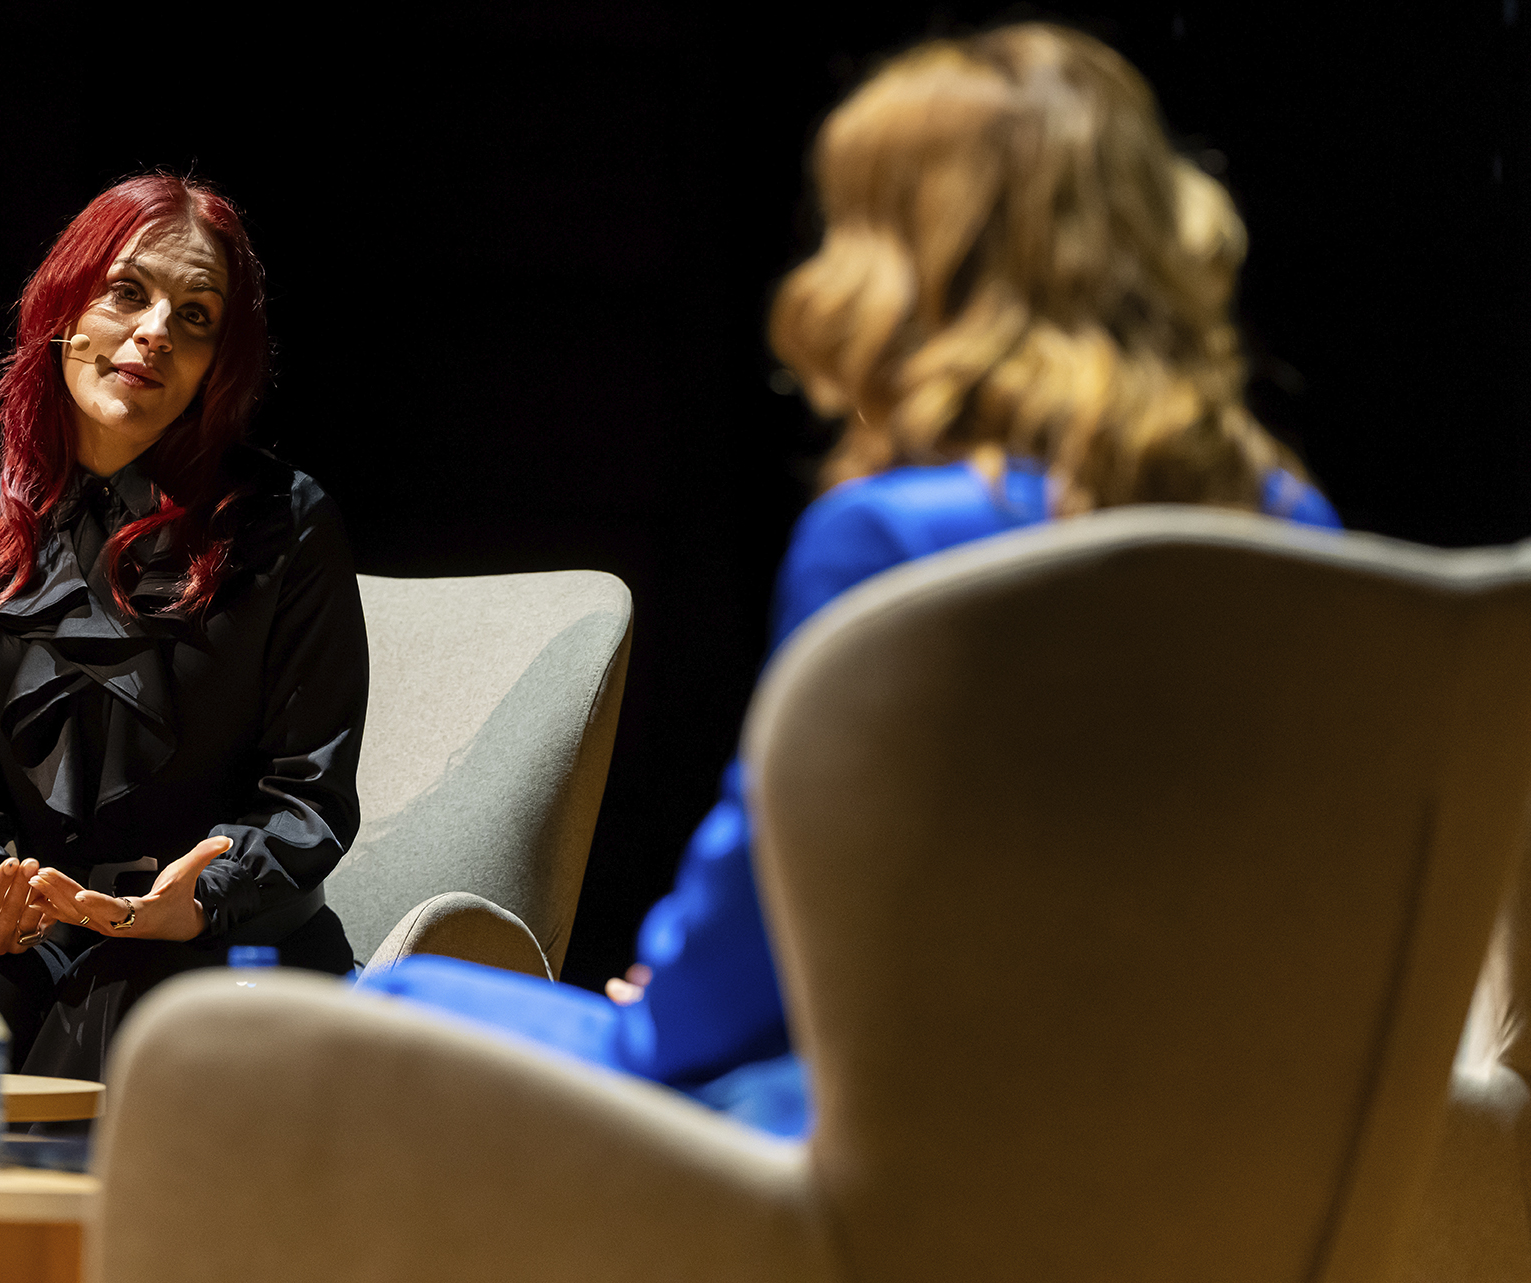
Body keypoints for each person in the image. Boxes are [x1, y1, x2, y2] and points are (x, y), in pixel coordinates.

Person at [360, 22, 1340, 1138]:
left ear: (903, 263)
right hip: (1213, 1136)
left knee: (390, 1006)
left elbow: (761, 927)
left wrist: (669, 1005)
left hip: (909, 1148)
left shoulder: (891, 537)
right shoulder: (1295, 526)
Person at [0, 171, 368, 1081]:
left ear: (217, 364)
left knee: (115, 1016)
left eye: (195, 316)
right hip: (37, 950)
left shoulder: (288, 526)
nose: (155, 330)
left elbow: (309, 795)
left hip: (233, 952)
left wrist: (202, 897)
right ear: (64, 308)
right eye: (127, 292)